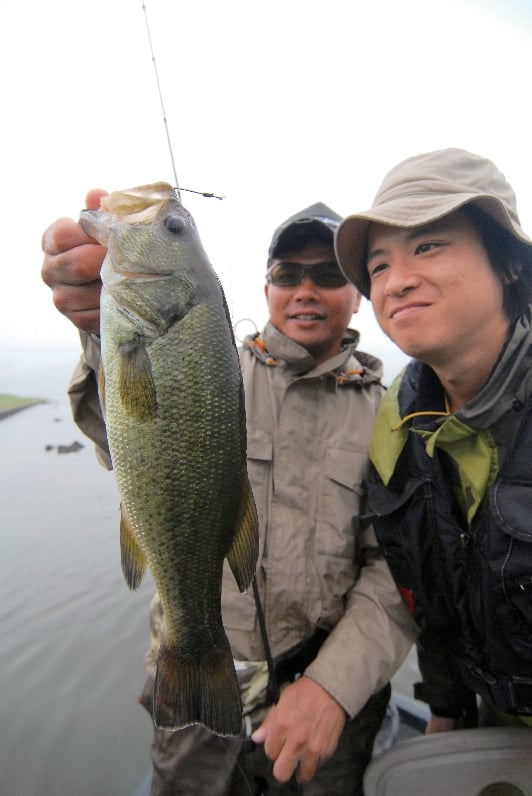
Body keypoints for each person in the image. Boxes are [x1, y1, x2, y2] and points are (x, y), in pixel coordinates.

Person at [41, 196, 418, 795]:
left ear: (357, 293)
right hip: (191, 701)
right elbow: (120, 439)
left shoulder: (392, 416)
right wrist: (98, 332)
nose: (305, 290)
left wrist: (333, 687)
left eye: (328, 275)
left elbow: (397, 573)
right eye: (287, 274)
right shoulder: (213, 362)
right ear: (265, 286)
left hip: (322, 709)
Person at [335, 147, 532, 733]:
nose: (397, 282)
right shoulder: (398, 419)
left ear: (510, 265)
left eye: (428, 246)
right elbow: (429, 587)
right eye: (378, 267)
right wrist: (445, 711)